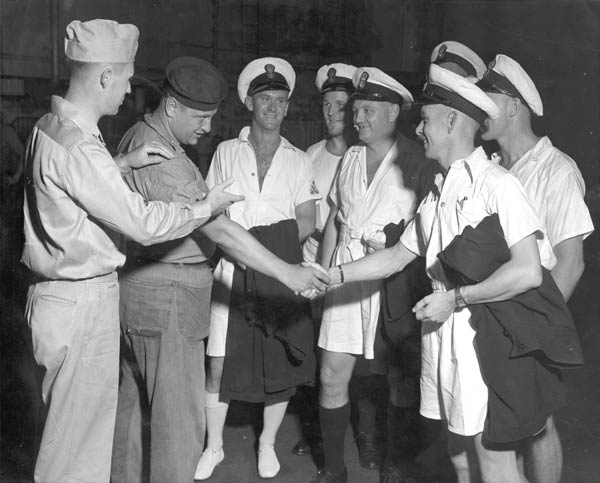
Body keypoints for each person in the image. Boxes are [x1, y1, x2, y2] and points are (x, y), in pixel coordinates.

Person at [20, 19, 244, 483]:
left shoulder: (52, 127)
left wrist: (121, 164)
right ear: (104, 76)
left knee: (80, 440)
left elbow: (74, 186)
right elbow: (144, 224)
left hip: (63, 301)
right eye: (124, 77)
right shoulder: (81, 146)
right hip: (82, 301)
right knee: (75, 460)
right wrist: (205, 206)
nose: (127, 91)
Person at [326, 64, 559, 483]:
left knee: (493, 460)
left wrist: (458, 299)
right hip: (443, 331)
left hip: (485, 333)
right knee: (457, 453)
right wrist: (333, 275)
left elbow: (529, 271)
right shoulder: (438, 188)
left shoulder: (499, 186)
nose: (419, 130)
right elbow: (398, 256)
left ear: (452, 121)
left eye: (427, 120)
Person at [110, 57, 328, 483]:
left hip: (165, 292)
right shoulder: (163, 154)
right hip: (167, 296)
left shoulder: (159, 144)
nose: (208, 128)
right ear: (172, 107)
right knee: (178, 425)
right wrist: (287, 272)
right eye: (201, 116)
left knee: (137, 417)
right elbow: (219, 229)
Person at [195, 57, 322, 480]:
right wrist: (244, 247)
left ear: (288, 107)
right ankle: (213, 446)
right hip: (231, 271)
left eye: (281, 100)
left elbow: (307, 218)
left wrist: (269, 245)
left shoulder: (299, 159)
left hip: (279, 272)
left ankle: (267, 445)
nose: (273, 107)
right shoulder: (226, 153)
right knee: (218, 361)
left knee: (277, 366)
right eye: (265, 98)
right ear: (250, 103)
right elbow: (212, 211)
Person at [312, 66, 439, 483]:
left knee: (397, 382)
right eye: (355, 110)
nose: (356, 118)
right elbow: (334, 218)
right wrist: (324, 272)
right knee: (332, 372)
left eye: (366, 110)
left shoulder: (418, 161)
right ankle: (333, 468)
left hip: (394, 282)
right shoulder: (349, 157)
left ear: (391, 113)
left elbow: (429, 237)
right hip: (346, 276)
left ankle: (394, 466)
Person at [477, 53, 594, 483]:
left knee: (537, 426)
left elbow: (571, 263)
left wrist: (534, 331)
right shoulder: (490, 168)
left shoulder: (556, 171)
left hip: (530, 321)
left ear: (513, 105)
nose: (478, 110)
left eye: (486, 100)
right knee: (502, 426)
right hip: (490, 315)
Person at [292, 62, 357, 458]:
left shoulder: (363, 154)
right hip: (310, 258)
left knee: (351, 359)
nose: (332, 113)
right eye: (326, 106)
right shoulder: (310, 155)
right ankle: (315, 432)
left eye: (341, 105)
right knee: (314, 350)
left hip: (348, 263)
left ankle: (364, 437)